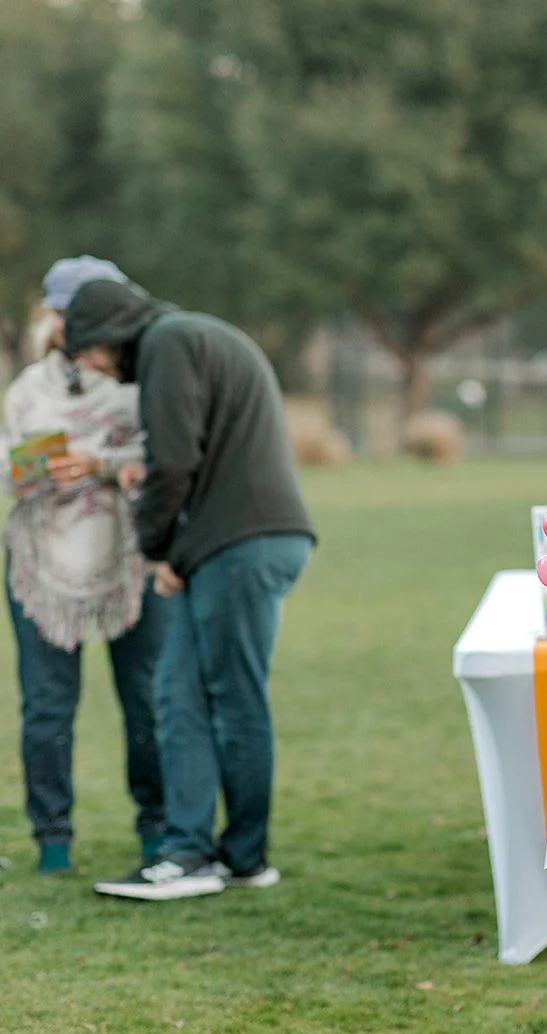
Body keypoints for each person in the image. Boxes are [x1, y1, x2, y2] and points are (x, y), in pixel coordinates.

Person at [61, 279, 316, 902]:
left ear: (109, 332)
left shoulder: (170, 344)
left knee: (231, 700)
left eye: (87, 351)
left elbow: (174, 461)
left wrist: (158, 551)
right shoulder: (187, 335)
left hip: (242, 542)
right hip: (241, 540)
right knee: (180, 693)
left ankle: (232, 857)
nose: (90, 365)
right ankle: (196, 851)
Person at [4, 255, 167, 875]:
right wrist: (36, 465)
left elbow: (162, 452)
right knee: (47, 705)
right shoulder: (26, 391)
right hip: (41, 565)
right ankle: (52, 839)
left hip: (128, 561)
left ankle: (156, 827)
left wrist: (98, 459)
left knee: (147, 696)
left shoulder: (136, 385)